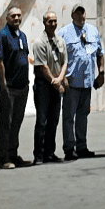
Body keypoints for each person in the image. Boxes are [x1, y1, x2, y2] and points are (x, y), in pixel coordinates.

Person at [56, 4, 102, 161]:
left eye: (83, 13)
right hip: (72, 82)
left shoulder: (92, 31)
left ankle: (82, 146)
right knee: (69, 117)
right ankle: (69, 148)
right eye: (78, 13)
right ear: (72, 15)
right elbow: (58, 58)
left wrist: (101, 72)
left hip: (87, 82)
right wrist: (61, 78)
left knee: (83, 115)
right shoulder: (63, 33)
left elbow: (100, 53)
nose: (81, 16)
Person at [0, 5, 32, 169]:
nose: (16, 18)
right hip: (9, 88)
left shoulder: (22, 36)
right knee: (6, 123)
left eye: (18, 16)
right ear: (7, 18)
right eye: (13, 16)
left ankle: (14, 154)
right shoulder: (2, 36)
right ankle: (4, 158)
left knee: (17, 121)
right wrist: (3, 86)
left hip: (23, 87)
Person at [30, 10, 65, 165]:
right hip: (44, 85)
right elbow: (43, 66)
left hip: (56, 85)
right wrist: (54, 81)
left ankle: (50, 153)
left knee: (54, 120)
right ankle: (39, 154)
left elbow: (64, 62)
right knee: (42, 121)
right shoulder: (39, 43)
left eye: (55, 21)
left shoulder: (60, 41)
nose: (53, 24)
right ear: (44, 23)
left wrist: (60, 80)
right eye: (50, 21)